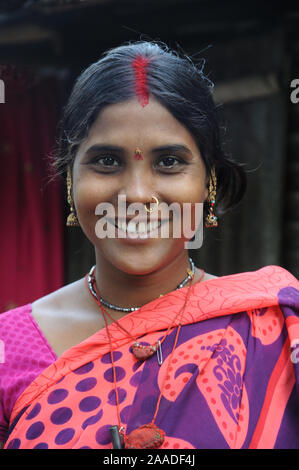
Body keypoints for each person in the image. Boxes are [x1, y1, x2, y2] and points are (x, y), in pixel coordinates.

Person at [0, 40, 298, 450]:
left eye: (169, 162)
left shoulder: (274, 330)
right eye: (107, 161)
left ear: (208, 181)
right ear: (71, 181)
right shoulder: (8, 346)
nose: (137, 194)